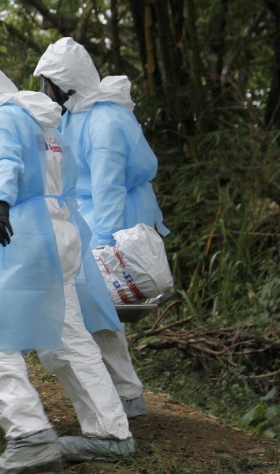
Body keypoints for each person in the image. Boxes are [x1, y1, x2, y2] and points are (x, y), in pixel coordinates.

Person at [0, 49, 135, 474]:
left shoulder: (0, 121)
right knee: (67, 339)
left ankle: (29, 434)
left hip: (25, 236)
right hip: (62, 235)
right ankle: (111, 433)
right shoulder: (39, 120)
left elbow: (5, 162)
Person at [33, 37, 171, 418]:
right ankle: (123, 392)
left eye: (48, 83)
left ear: (65, 83)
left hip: (118, 221)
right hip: (92, 218)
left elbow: (108, 188)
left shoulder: (106, 121)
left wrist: (105, 246)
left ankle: (126, 394)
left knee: (91, 302)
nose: (45, 92)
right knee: (88, 304)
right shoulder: (80, 114)